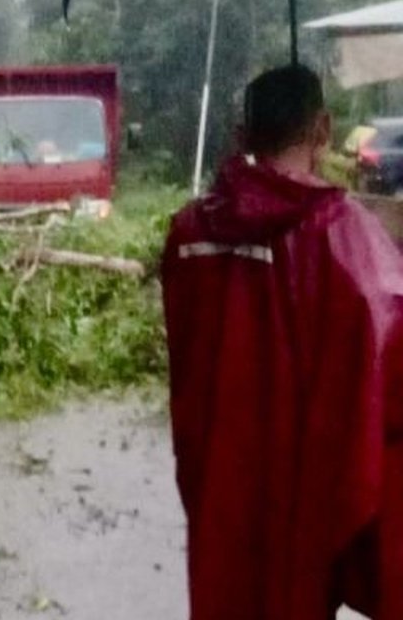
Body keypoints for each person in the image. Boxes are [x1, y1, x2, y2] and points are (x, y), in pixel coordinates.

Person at [162, 64, 403, 619]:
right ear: (323, 129)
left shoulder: (190, 234)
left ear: (243, 137)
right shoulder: (342, 231)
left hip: (217, 479)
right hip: (304, 493)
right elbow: (385, 360)